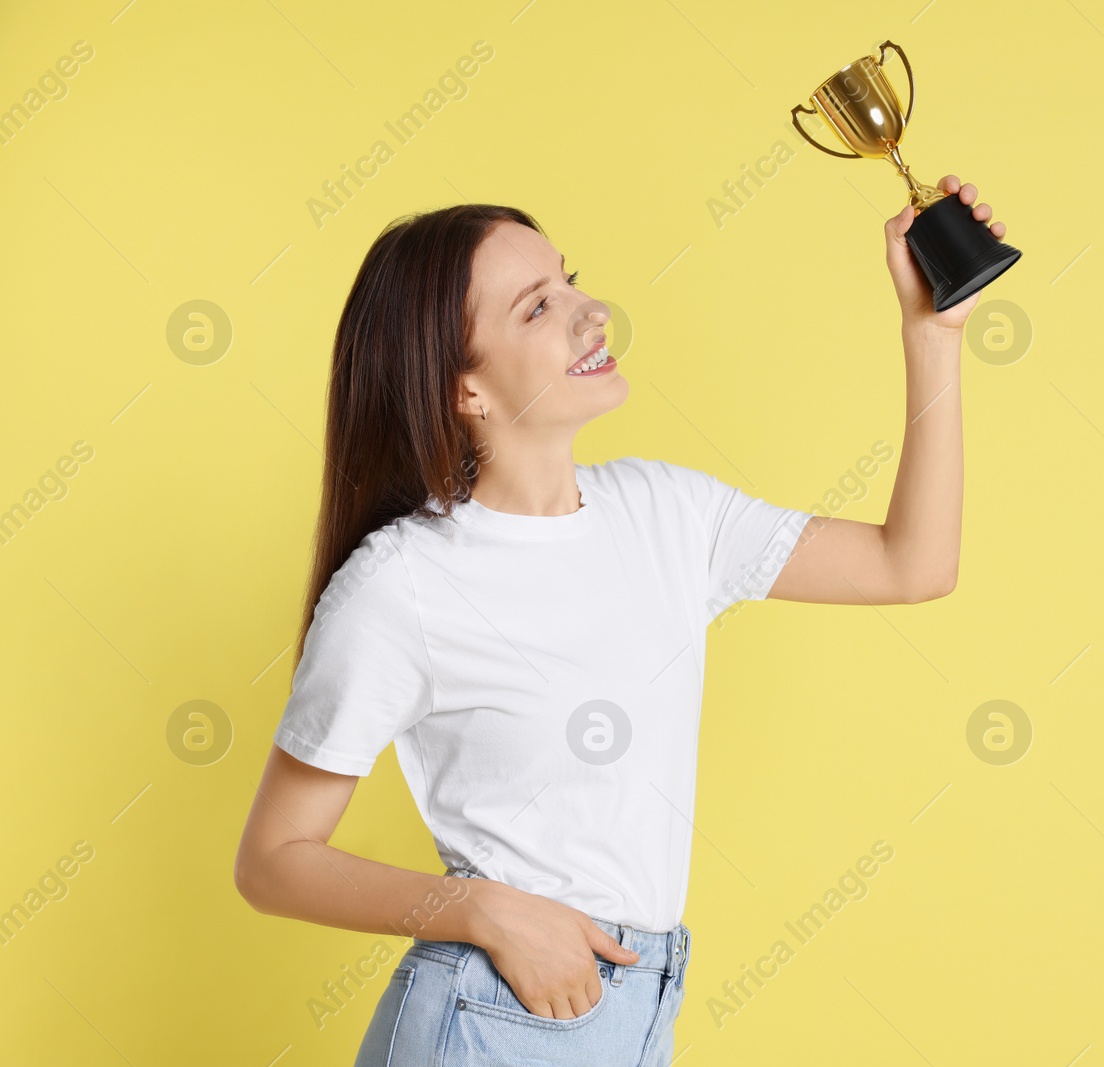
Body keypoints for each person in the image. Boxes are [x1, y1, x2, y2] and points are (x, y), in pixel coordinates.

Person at [233, 175, 1004, 1066]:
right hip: (494, 1015)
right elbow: (274, 858)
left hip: (635, 1011)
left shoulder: (668, 512)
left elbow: (912, 565)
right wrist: (483, 909)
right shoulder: (402, 584)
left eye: (570, 281)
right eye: (537, 309)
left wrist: (932, 331)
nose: (590, 311)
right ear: (465, 390)